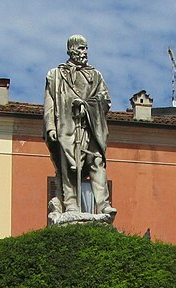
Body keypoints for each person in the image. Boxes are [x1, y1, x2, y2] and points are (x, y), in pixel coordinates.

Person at [44, 35, 116, 218]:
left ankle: (103, 205)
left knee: (96, 162)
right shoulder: (55, 75)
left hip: (90, 126)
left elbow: (105, 100)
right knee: (68, 165)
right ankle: (71, 205)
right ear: (71, 49)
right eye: (81, 48)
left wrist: (86, 106)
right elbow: (50, 103)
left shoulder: (95, 75)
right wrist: (50, 127)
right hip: (66, 126)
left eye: (86, 49)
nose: (84, 53)